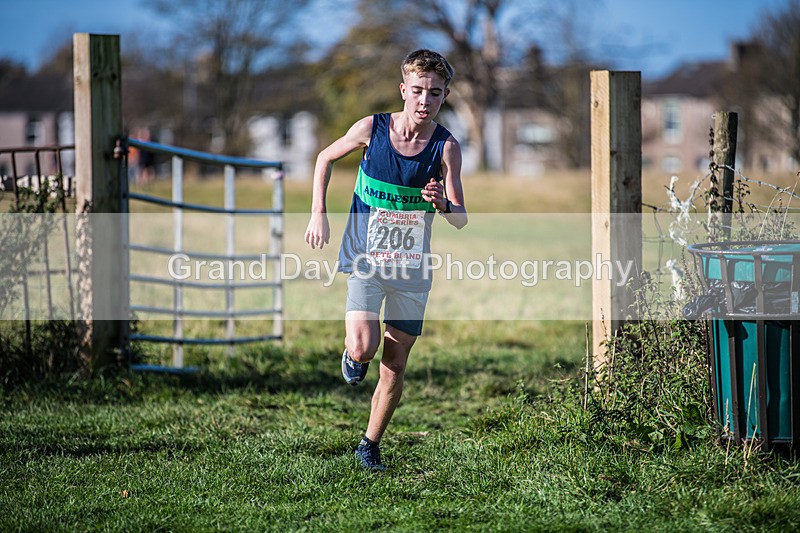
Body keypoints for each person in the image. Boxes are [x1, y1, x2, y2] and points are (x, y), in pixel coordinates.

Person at [304, 49, 467, 471]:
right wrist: (318, 212)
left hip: (411, 268)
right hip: (365, 257)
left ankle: (369, 445)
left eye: (434, 93)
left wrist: (442, 205)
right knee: (364, 346)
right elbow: (324, 158)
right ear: (403, 90)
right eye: (417, 91)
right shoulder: (371, 129)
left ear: (445, 95)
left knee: (394, 365)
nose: (424, 101)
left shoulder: (447, 148)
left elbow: (461, 217)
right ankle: (352, 356)